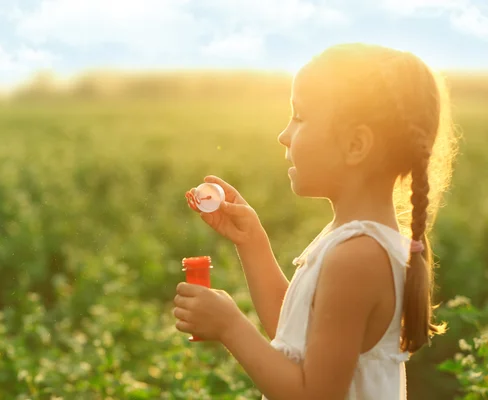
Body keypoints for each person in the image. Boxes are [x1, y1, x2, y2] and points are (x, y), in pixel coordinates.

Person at [173, 42, 460, 399]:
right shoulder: (356, 241)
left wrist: (231, 326)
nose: (284, 134)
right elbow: (297, 333)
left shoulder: (357, 257)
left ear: (356, 145)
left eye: (300, 117)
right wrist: (252, 242)